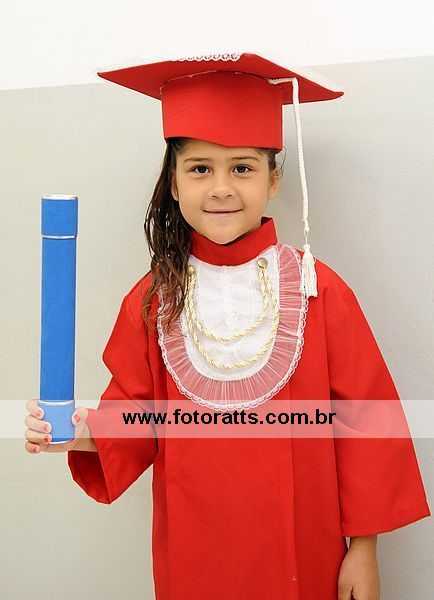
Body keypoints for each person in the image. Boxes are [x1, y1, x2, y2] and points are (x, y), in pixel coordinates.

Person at [24, 52, 430, 600]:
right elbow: (135, 418)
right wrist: (73, 432)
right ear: (173, 183)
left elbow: (366, 422)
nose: (220, 188)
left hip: (304, 546)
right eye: (199, 169)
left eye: (242, 168)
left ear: (273, 179)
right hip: (194, 550)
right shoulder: (154, 301)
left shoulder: (318, 291)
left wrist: (363, 549)